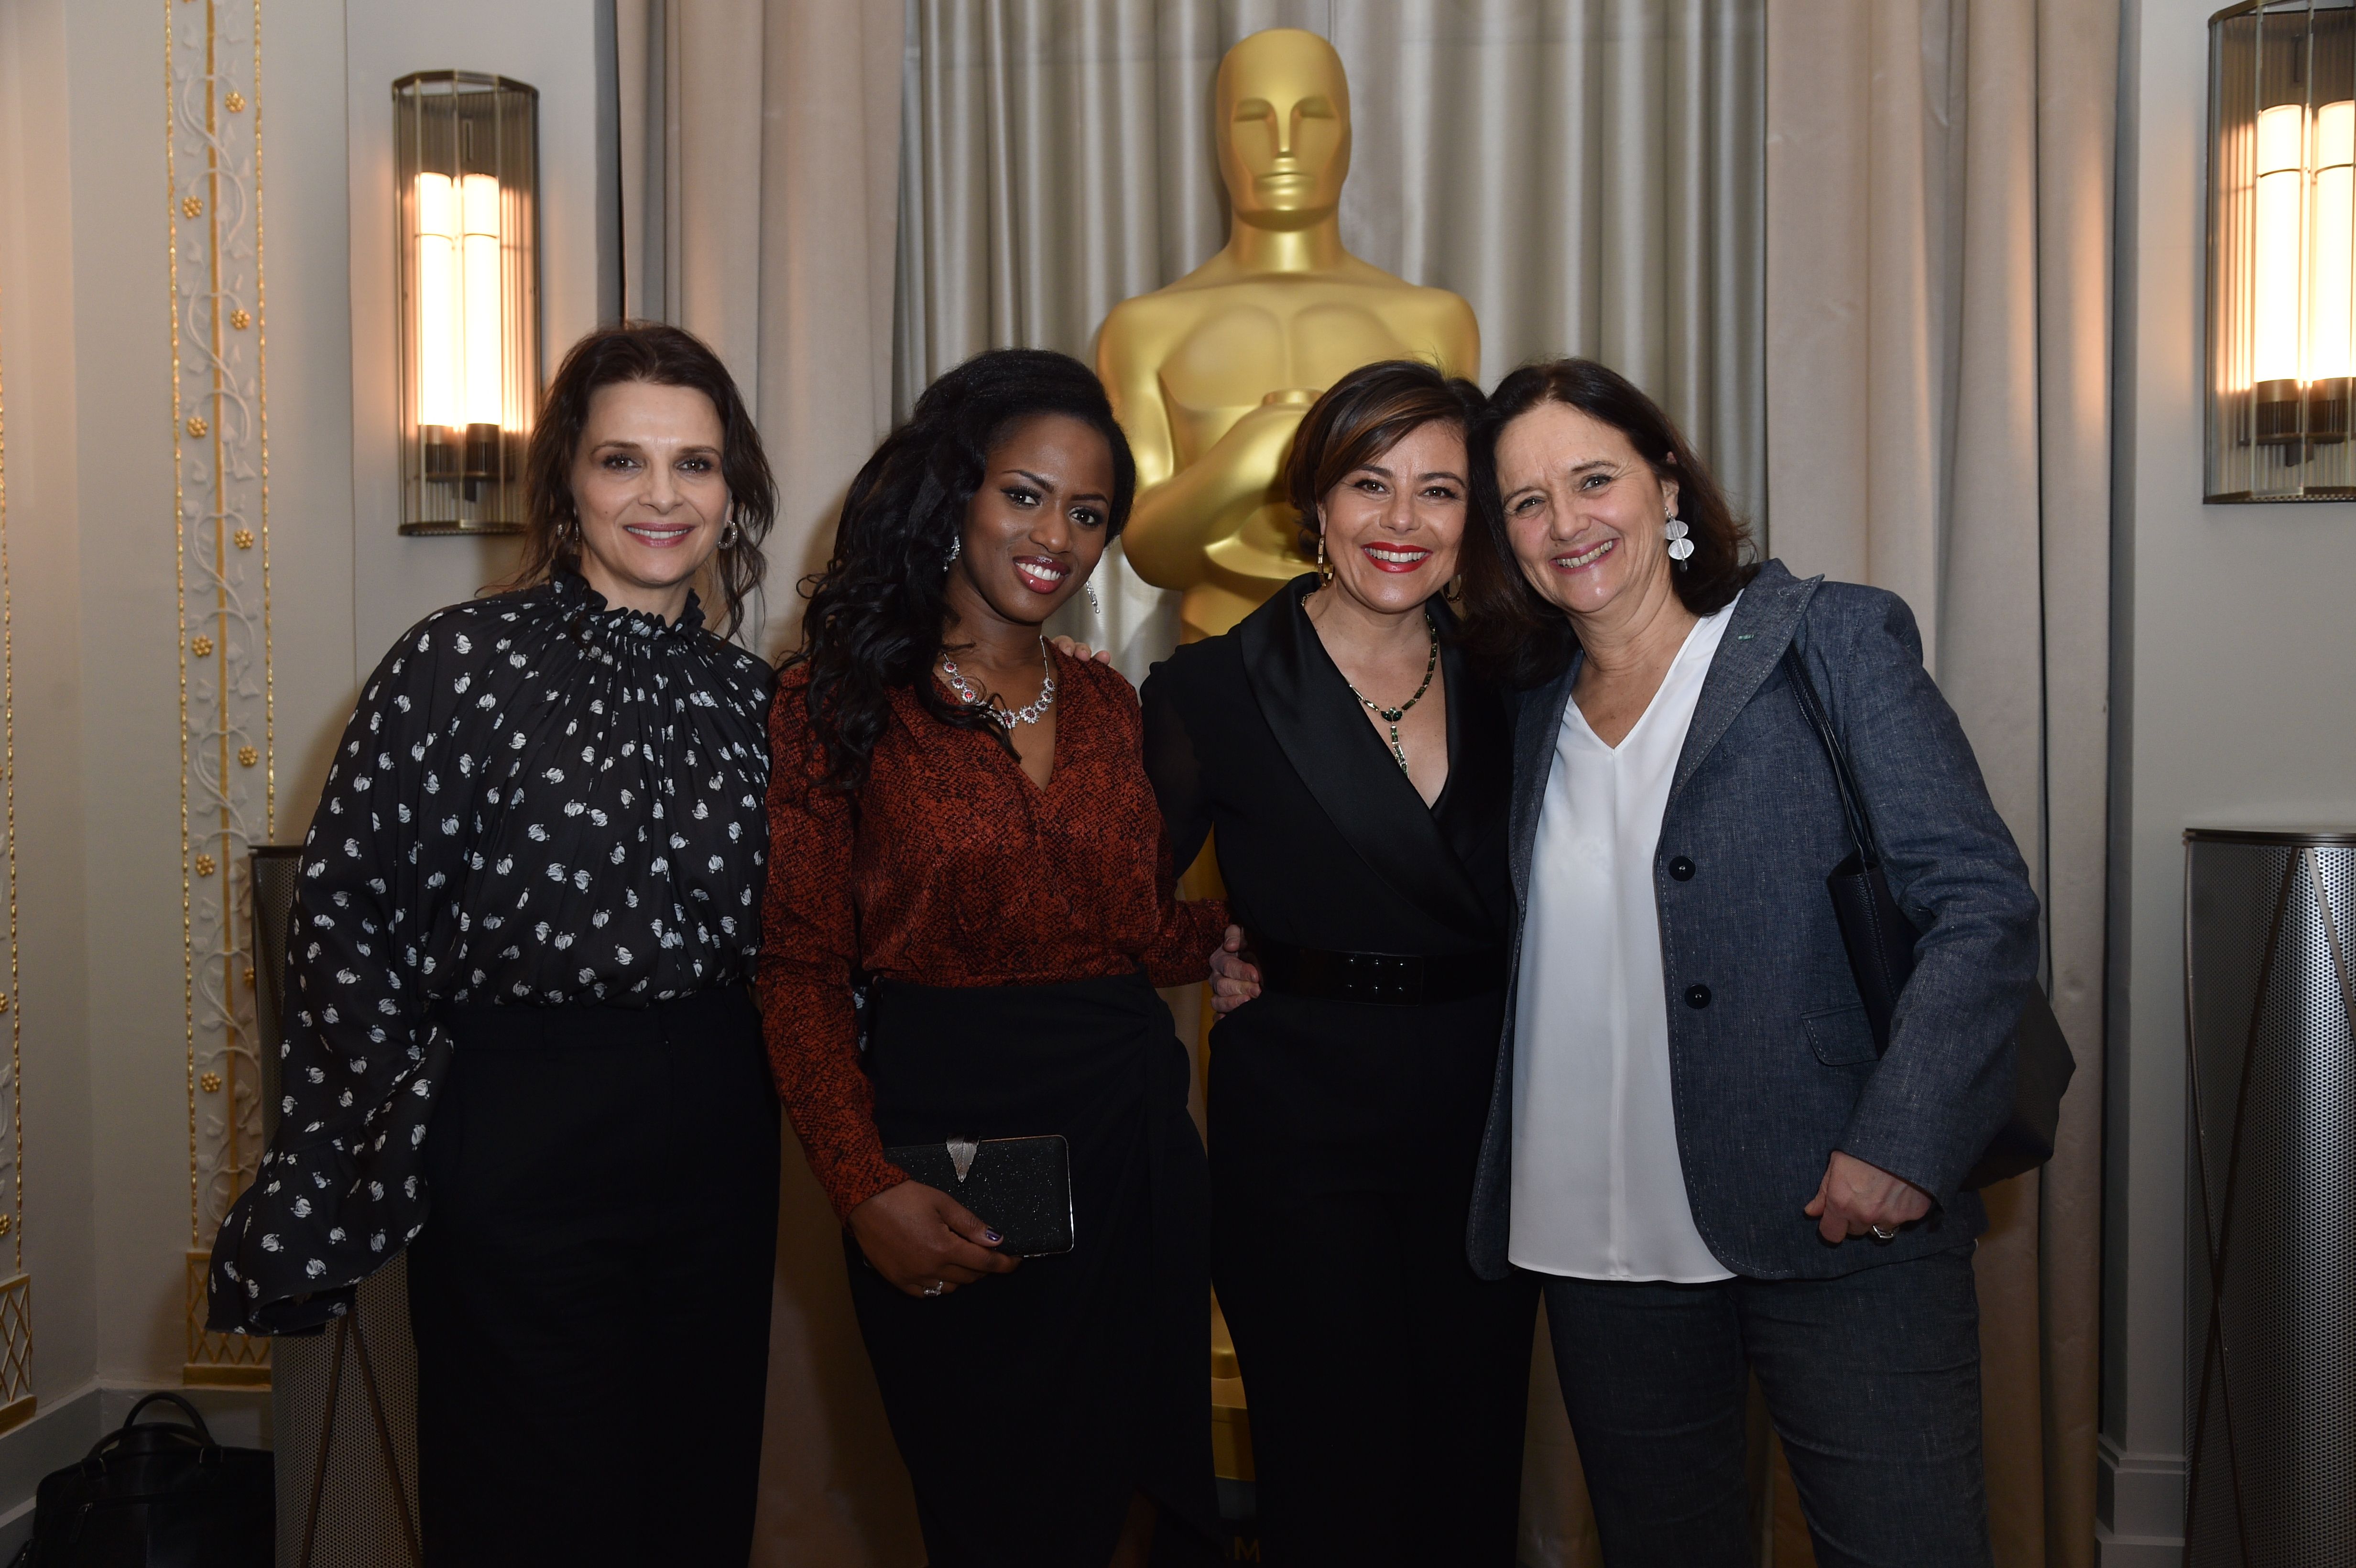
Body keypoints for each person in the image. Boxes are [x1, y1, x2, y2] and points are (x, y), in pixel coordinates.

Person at [207, 322, 785, 1565]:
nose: (661, 496)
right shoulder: (458, 663)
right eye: (624, 460)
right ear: (567, 482)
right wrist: (432, 1124)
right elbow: (343, 917)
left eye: (694, 465)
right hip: (519, 1129)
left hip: (725, 1131)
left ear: (732, 489)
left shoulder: (760, 704)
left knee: (694, 1492)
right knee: (526, 1505)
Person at [1456, 359, 2039, 1568]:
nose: (1565, 523)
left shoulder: (1823, 636)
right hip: (1599, 1243)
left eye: (1593, 477)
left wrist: (1898, 1141)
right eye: (1523, 501)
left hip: (1840, 1211)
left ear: (1667, 479)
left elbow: (1979, 904)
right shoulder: (1523, 705)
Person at [758, 348, 1235, 1568]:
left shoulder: (1109, 701)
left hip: (1132, 1140)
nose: (1057, 537)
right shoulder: (835, 704)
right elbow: (800, 967)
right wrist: (861, 1185)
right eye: (1024, 495)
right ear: (955, 492)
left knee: (1147, 1503)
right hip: (950, 1166)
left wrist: (1243, 942)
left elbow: (1125, 928)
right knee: (996, 1514)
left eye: (1088, 513)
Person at [1145, 360, 1539, 1566]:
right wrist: (1208, 940)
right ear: (1314, 500)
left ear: (1474, 516)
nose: (1401, 522)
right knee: (1334, 1477)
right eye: (1370, 484)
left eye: (1439, 490)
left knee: (1471, 1465)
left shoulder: (1519, 676)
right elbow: (1114, 910)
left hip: (1489, 1114)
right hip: (1299, 1121)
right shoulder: (1207, 687)